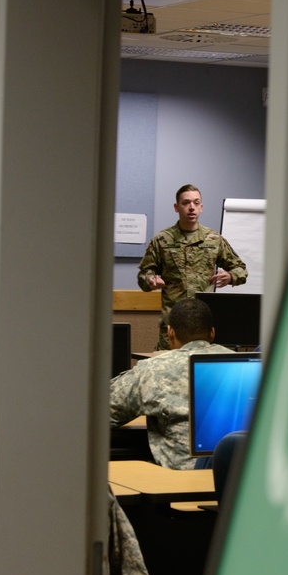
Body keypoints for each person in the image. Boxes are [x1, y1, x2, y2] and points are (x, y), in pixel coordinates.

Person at [110, 298, 233, 469]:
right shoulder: (241, 364)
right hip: (237, 479)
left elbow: (100, 412)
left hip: (179, 483)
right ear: (212, 333)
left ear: (170, 333)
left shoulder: (152, 369)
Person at [137, 183, 248, 350]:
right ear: (176, 207)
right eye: (186, 203)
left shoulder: (214, 239)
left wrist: (231, 276)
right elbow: (144, 274)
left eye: (196, 203)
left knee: (202, 370)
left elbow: (240, 269)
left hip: (202, 321)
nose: (191, 207)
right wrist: (150, 280)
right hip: (173, 321)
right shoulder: (162, 240)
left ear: (201, 207)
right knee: (168, 369)